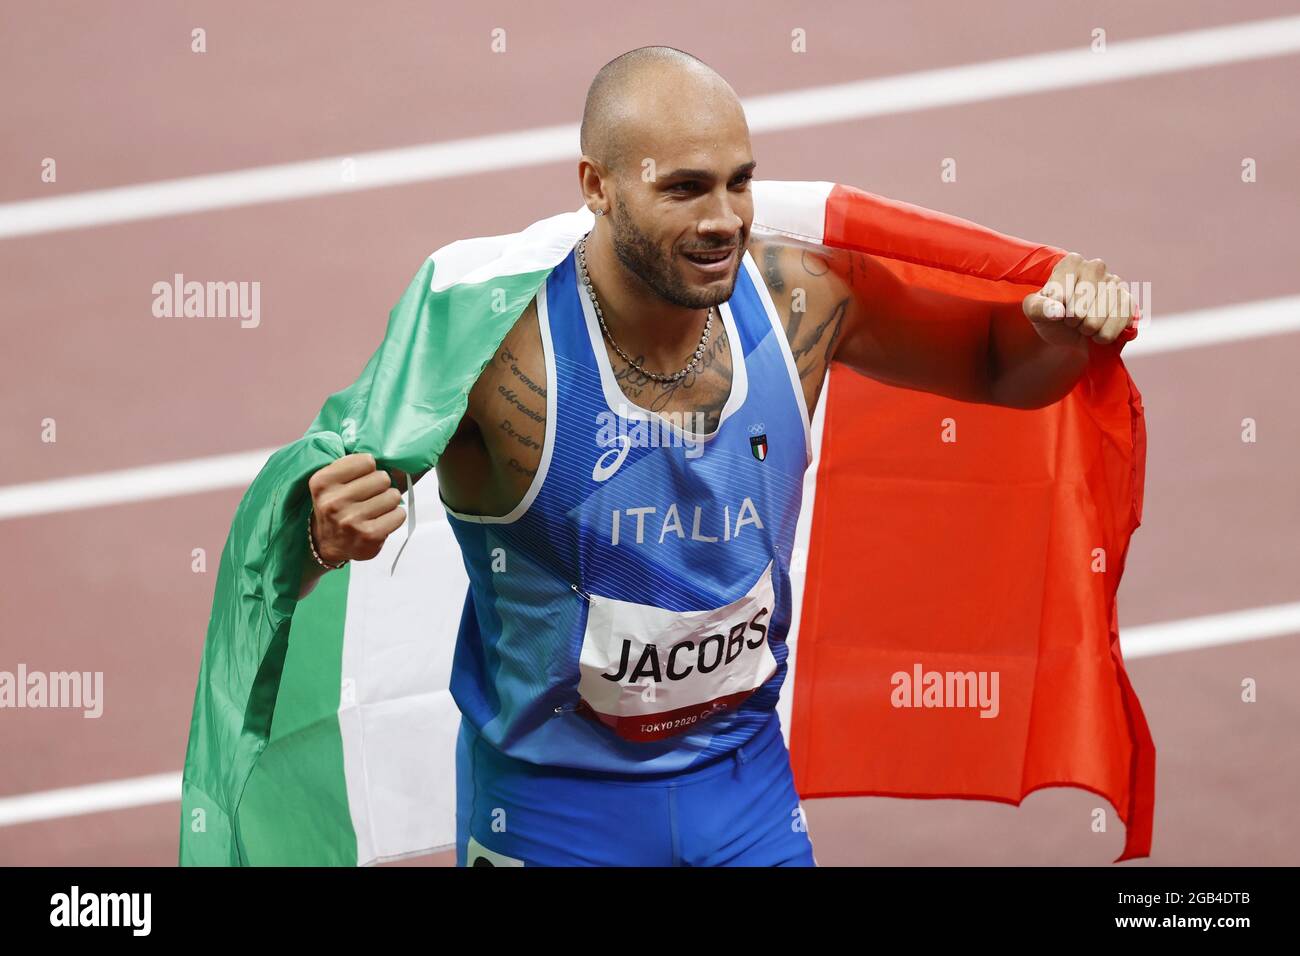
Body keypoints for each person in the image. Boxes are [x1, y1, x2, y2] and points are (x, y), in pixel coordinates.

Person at [295, 46, 1134, 866]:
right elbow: (316, 515)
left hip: (745, 788)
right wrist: (324, 537)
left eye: (739, 181)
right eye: (685, 188)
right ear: (597, 187)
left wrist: (1057, 332)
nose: (723, 219)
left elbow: (994, 362)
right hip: (550, 811)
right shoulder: (494, 351)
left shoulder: (800, 300)